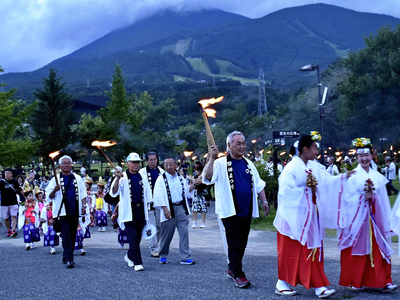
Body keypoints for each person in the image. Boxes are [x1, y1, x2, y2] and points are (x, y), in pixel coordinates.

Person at [273, 133, 352, 298]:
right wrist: (307, 190)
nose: (317, 152)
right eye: (315, 148)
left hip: (309, 217)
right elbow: (285, 193)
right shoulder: (291, 168)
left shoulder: (313, 166)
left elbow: (327, 182)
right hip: (292, 218)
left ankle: (318, 285)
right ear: (305, 149)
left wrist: (343, 178)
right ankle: (283, 282)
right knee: (290, 252)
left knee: (313, 250)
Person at [203, 131, 269, 288]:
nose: (242, 146)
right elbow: (208, 177)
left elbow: (259, 184)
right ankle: (238, 274)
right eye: (238, 143)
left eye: (243, 143)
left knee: (242, 243)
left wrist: (264, 201)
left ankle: (232, 268)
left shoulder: (248, 163)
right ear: (229, 145)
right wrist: (211, 158)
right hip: (229, 211)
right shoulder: (220, 163)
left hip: (246, 210)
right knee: (234, 242)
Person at [338, 138, 397, 293]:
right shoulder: (352, 176)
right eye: (360, 156)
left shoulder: (377, 176)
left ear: (372, 156)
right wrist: (362, 198)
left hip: (376, 219)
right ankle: (356, 281)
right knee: (359, 248)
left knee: (379, 248)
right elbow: (346, 200)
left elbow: (384, 200)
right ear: (357, 158)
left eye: (367, 155)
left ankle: (384, 281)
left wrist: (384, 216)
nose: (364, 158)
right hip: (358, 221)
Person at [110, 152, 151, 272]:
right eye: (133, 162)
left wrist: (149, 207)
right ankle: (138, 262)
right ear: (128, 163)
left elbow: (147, 194)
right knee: (132, 237)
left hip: (140, 210)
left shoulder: (142, 176)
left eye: (137, 162)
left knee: (138, 237)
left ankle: (129, 256)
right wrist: (117, 179)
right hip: (128, 210)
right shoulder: (122, 176)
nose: (135, 164)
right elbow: (114, 192)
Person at [45, 155, 87, 269]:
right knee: (66, 235)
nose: (67, 165)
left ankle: (66, 254)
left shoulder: (77, 178)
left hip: (75, 211)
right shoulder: (55, 179)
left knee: (72, 235)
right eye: (64, 163)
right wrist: (55, 189)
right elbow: (49, 197)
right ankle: (70, 259)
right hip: (62, 212)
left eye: (69, 163)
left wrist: (84, 206)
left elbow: (83, 193)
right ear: (60, 166)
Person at [154, 156, 194, 265]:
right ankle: (163, 254)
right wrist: (165, 209)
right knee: (167, 234)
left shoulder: (180, 177)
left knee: (184, 233)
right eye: (166, 164)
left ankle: (185, 256)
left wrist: (194, 184)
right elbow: (159, 195)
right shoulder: (161, 179)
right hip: (169, 209)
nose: (168, 166)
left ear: (176, 165)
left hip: (181, 207)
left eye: (171, 164)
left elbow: (185, 192)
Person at [139, 151, 164, 258]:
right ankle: (153, 247)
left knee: (161, 226)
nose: (153, 162)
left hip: (160, 203)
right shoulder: (142, 172)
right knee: (152, 226)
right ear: (147, 161)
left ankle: (157, 244)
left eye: (155, 159)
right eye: (151, 160)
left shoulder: (161, 171)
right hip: (149, 204)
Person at [0, 168, 23, 237]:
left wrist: (25, 196)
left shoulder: (15, 182)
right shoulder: (1, 182)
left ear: (11, 174)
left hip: (13, 202)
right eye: (6, 173)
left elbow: (20, 190)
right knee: (6, 218)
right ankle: (9, 230)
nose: (7, 174)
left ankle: (13, 230)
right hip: (4, 203)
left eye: (9, 173)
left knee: (14, 216)